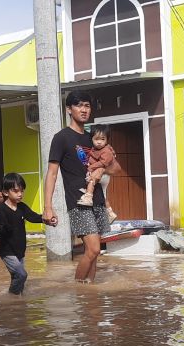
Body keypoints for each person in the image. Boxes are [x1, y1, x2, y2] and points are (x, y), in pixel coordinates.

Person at [43, 91, 120, 283]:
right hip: (78, 202)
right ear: (69, 109)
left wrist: (102, 169)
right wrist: (47, 206)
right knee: (93, 248)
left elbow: (116, 169)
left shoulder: (95, 138)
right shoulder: (61, 138)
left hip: (98, 199)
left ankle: (89, 296)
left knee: (94, 253)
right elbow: (52, 173)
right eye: (79, 106)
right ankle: (77, 289)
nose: (84, 110)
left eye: (87, 106)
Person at [0, 173, 56, 295]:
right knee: (22, 275)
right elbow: (4, 230)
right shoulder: (1, 210)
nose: (20, 194)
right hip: (7, 251)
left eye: (22, 191)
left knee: (17, 278)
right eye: (16, 191)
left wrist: (47, 220)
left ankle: (17, 305)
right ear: (5, 192)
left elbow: (33, 217)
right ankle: (12, 298)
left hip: (19, 250)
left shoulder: (22, 207)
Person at [77, 124, 118, 223]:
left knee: (91, 181)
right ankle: (110, 213)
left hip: (101, 174)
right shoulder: (99, 149)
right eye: (96, 139)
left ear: (107, 139)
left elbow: (104, 162)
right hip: (103, 175)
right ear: (92, 139)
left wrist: (91, 167)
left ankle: (88, 197)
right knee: (103, 195)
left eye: (102, 139)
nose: (99, 142)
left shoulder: (106, 151)